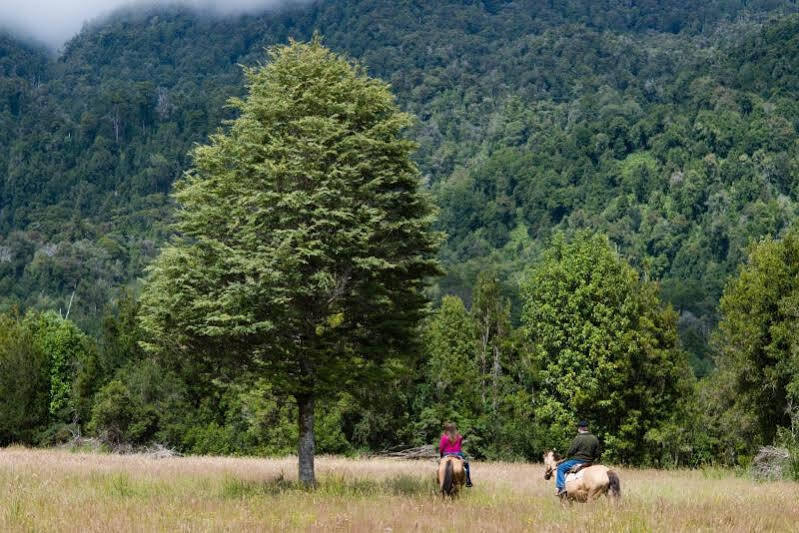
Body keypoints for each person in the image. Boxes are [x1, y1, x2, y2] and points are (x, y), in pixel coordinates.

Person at [555, 420, 600, 496]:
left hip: (576, 461)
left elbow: (571, 451)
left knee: (560, 468)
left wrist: (567, 457)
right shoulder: (594, 438)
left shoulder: (578, 438)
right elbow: (597, 453)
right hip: (589, 462)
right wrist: (591, 460)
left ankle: (561, 488)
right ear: (586, 428)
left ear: (580, 428)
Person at [439, 422, 473, 487]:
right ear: (455, 429)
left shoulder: (444, 437)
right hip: (457, 453)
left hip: (446, 454)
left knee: (440, 466)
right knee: (466, 465)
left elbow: (441, 448)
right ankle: (468, 481)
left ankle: (439, 479)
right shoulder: (459, 437)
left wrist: (441, 456)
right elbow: (460, 447)